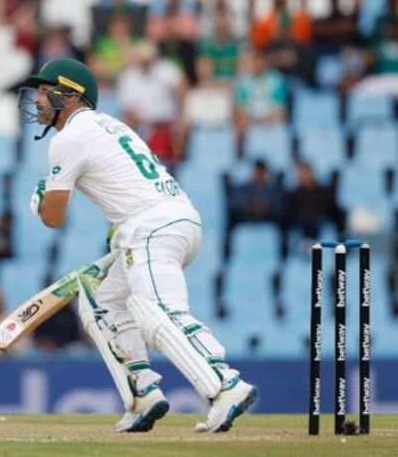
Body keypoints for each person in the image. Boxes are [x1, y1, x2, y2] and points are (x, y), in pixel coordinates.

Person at [16, 57, 257, 433]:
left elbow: (54, 218)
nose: (39, 100)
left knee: (157, 310)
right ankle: (142, 394)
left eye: (47, 91)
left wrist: (41, 198)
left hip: (152, 227)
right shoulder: (110, 125)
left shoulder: (70, 137)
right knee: (103, 306)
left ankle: (226, 384)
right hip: (171, 222)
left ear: (72, 95)